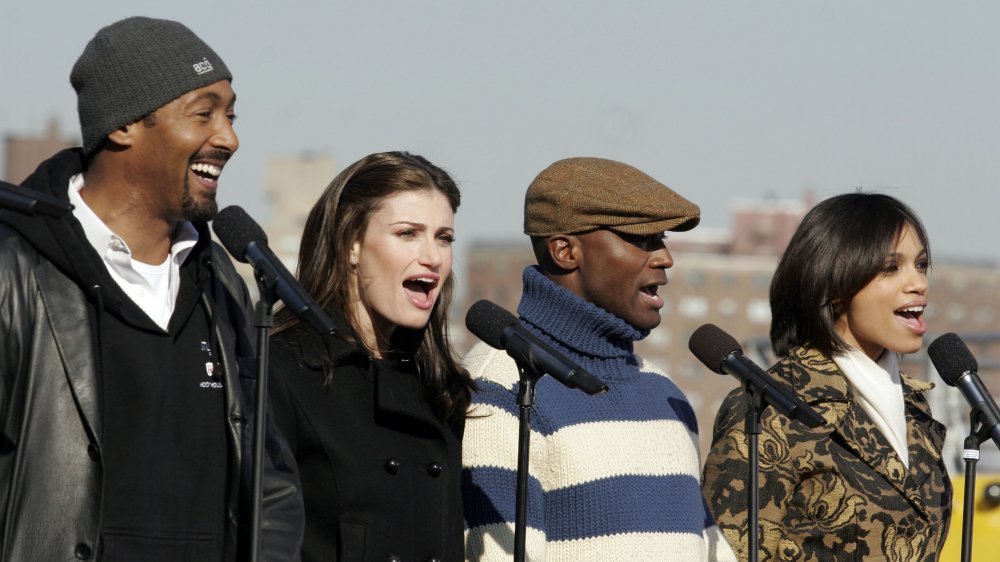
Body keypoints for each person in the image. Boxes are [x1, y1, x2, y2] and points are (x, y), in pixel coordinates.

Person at [0, 17, 303, 561]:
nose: (229, 138)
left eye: (231, 115)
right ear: (123, 126)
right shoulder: (15, 270)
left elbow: (271, 486)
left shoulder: (222, 285)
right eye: (204, 113)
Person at [461, 157, 737, 561]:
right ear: (565, 251)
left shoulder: (666, 395)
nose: (664, 258)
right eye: (642, 240)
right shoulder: (499, 386)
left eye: (661, 239)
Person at [702, 192, 952, 562]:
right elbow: (729, 549)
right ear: (835, 286)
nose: (918, 283)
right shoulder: (768, 406)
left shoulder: (914, 405)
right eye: (890, 267)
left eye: (920, 264)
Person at [268, 151, 476, 561]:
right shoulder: (281, 368)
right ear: (351, 245)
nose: (433, 257)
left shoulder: (440, 387)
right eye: (407, 233)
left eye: (444, 237)